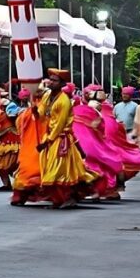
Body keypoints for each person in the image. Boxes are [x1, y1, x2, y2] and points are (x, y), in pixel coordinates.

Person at [37, 69, 93, 208]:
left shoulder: (64, 100)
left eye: (54, 80)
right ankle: (58, 200)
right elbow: (42, 113)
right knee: (49, 169)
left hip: (60, 139)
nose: (50, 82)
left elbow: (60, 124)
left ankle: (68, 198)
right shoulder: (47, 95)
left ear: (62, 83)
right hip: (50, 137)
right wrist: (34, 108)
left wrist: (48, 140)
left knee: (60, 171)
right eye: (50, 79)